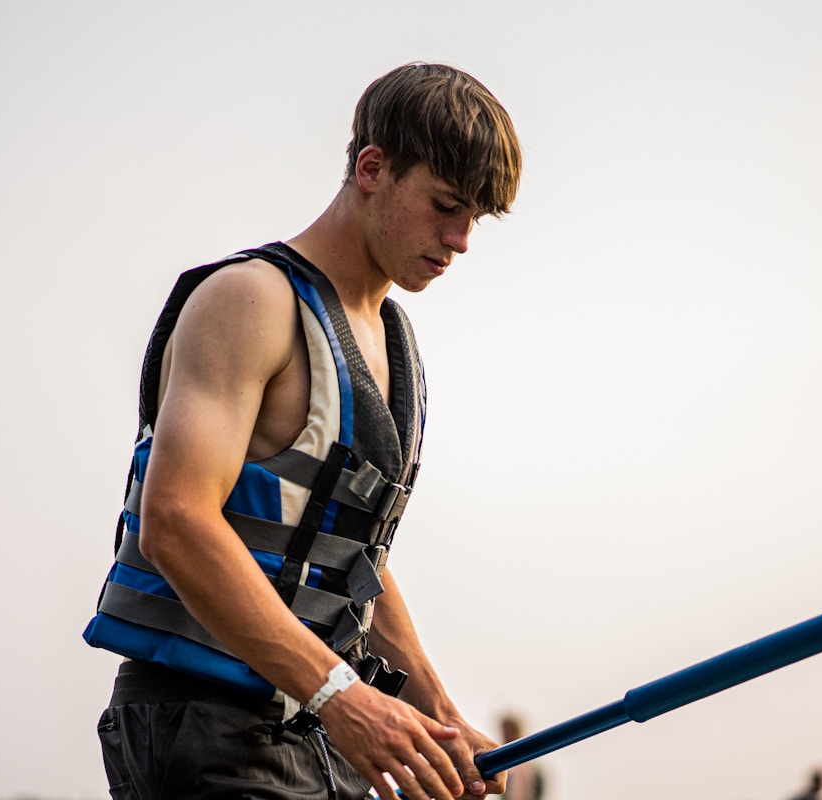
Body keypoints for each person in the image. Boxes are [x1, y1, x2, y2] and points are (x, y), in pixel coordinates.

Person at [83, 62, 522, 800]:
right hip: (207, 723)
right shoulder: (249, 301)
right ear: (372, 168)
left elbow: (350, 556)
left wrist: (435, 712)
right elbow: (176, 520)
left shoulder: (391, 339)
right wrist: (342, 698)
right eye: (446, 205)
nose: (462, 239)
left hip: (315, 720)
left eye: (476, 217)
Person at [497, 714, 545, 800]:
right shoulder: (500, 766)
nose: (507, 736)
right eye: (505, 732)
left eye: (510, 731)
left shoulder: (532, 768)